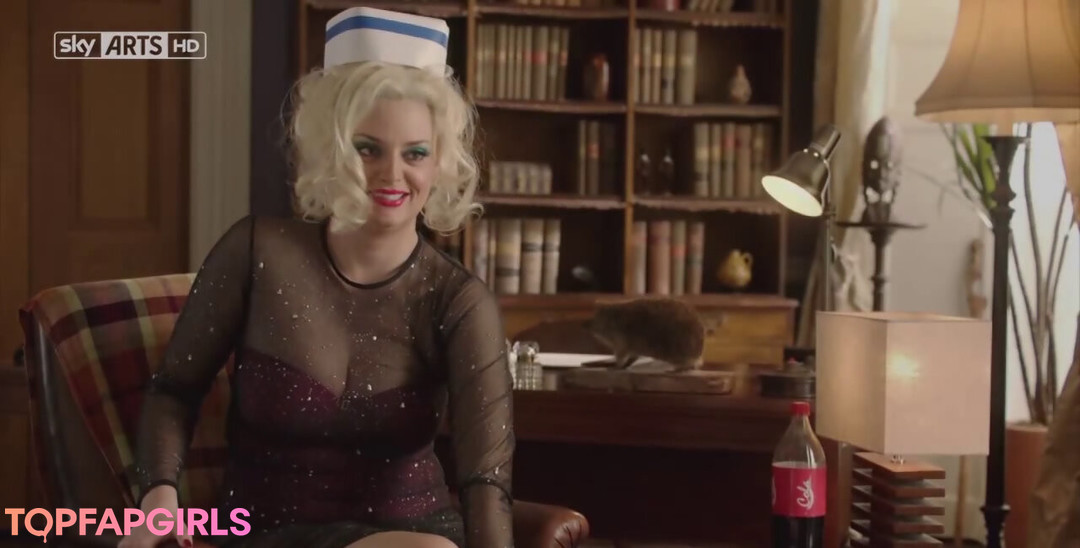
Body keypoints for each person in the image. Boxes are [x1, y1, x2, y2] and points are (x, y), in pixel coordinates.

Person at [119, 7, 514, 548]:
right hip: (261, 534)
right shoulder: (255, 251)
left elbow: (485, 479)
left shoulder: (459, 300)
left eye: (415, 153)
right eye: (368, 149)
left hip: (415, 536)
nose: (393, 174)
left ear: (439, 163)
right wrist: (158, 500)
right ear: (332, 149)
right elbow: (173, 391)